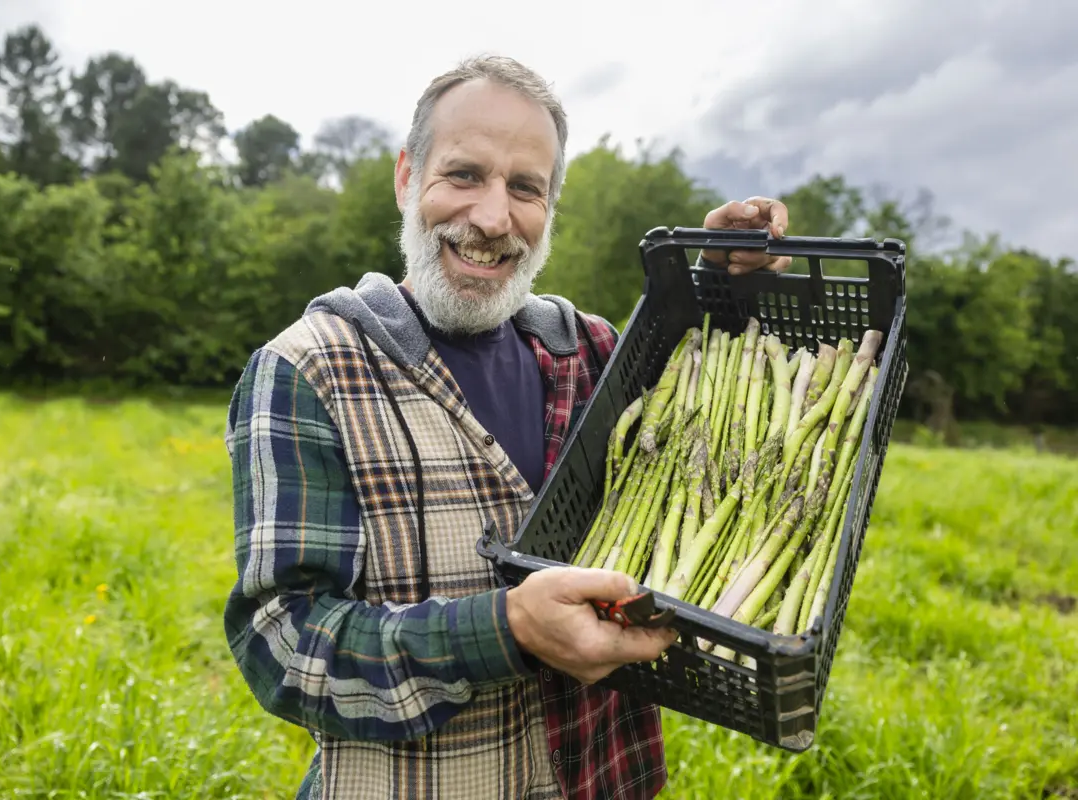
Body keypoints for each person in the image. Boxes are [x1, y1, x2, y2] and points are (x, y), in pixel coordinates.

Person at [222, 55, 792, 800]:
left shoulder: (590, 351)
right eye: (464, 175)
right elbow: (283, 645)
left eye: (526, 188)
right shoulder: (309, 370)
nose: (493, 219)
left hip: (604, 779)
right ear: (406, 178)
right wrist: (508, 629)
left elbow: (715, 430)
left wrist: (723, 281)